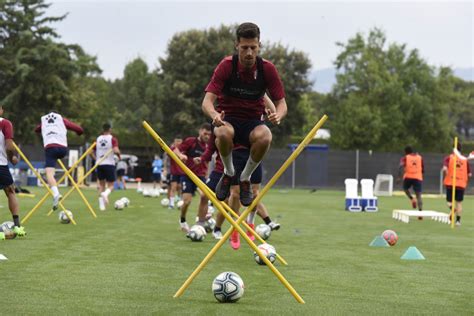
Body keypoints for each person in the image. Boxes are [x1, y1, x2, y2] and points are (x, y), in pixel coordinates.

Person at [202, 22, 287, 207]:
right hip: (228, 119)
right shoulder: (226, 66)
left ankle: (245, 178)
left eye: (253, 48)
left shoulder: (267, 69)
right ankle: (229, 172)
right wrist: (214, 114)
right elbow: (207, 102)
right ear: (236, 45)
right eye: (244, 48)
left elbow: (281, 104)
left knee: (266, 136)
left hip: (252, 123)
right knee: (223, 132)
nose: (249, 53)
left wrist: (278, 115)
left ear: (259, 46)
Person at [35, 111, 83, 210]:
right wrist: (79, 133)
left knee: (49, 173)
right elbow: (79, 129)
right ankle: (56, 190)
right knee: (53, 167)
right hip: (62, 149)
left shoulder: (44, 121)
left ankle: (56, 193)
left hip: (50, 148)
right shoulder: (62, 120)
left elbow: (36, 130)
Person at [173, 123, 212, 232]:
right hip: (187, 175)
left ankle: (200, 222)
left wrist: (207, 174)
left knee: (205, 196)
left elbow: (207, 163)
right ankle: (182, 220)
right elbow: (175, 149)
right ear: (200, 131)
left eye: (209, 135)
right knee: (187, 201)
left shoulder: (209, 146)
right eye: (205, 133)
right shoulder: (191, 141)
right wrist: (181, 156)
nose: (207, 137)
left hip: (200, 177)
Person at [0, 105, 26, 238]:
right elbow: (10, 146)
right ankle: (17, 226)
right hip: (1, 165)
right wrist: (12, 158)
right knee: (11, 192)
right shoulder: (5, 123)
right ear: (1, 110)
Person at [92, 123, 121, 211]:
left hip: (99, 164)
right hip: (109, 163)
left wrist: (96, 159)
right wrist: (119, 155)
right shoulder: (112, 139)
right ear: (110, 129)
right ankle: (106, 194)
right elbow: (115, 150)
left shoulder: (98, 139)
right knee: (111, 185)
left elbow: (90, 151)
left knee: (101, 185)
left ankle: (102, 206)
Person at [443, 143, 472, 227]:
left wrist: (447, 175)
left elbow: (445, 168)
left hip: (450, 182)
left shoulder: (449, 158)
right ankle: (458, 221)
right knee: (459, 202)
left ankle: (453, 209)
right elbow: (469, 174)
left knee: (449, 201)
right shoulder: (464, 159)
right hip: (461, 184)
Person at [398, 146, 424, 218]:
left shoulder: (405, 157)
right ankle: (420, 213)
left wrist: (399, 177)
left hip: (408, 177)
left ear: (406, 152)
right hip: (418, 177)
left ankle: (412, 199)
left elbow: (400, 166)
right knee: (419, 195)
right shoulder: (419, 157)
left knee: (405, 189)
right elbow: (423, 168)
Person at [164, 136, 183, 209]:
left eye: (180, 141)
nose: (178, 143)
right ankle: (171, 204)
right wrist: (165, 169)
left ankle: (181, 202)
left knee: (180, 188)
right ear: (174, 142)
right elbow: (167, 155)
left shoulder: (184, 150)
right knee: (173, 188)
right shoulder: (171, 150)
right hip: (174, 172)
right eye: (177, 141)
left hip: (182, 173)